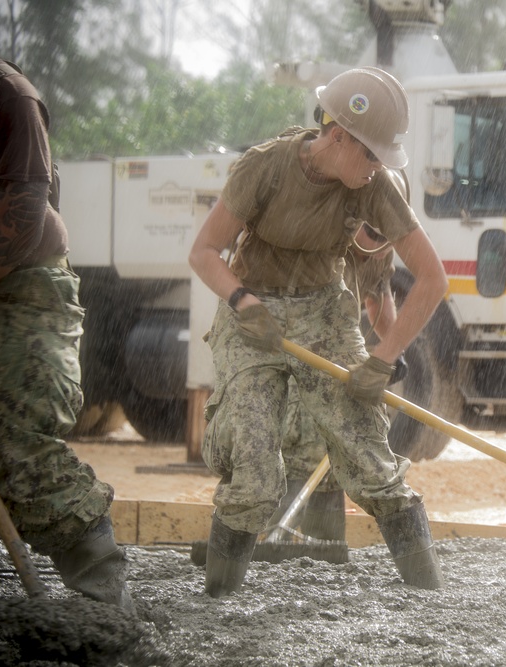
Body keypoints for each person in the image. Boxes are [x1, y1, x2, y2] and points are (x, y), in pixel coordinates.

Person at [188, 66, 449, 596]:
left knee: (372, 462)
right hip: (252, 313)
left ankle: (430, 594)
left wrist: (383, 359)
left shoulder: (373, 185)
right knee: (257, 475)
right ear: (337, 138)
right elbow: (203, 252)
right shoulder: (264, 168)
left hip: (325, 311)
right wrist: (242, 300)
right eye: (372, 154)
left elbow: (433, 278)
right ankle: (217, 598)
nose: (378, 168)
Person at [0, 56, 133, 609]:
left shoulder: (9, 98)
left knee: (14, 441)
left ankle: (103, 595)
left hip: (23, 281)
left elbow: (21, 220)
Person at [276, 218, 405, 558]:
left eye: (387, 238)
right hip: (302, 355)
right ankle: (269, 541)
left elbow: (380, 294)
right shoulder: (330, 240)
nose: (378, 242)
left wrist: (392, 351)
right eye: (372, 233)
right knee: (299, 450)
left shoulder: (381, 254)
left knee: (335, 457)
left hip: (342, 364)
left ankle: (325, 549)